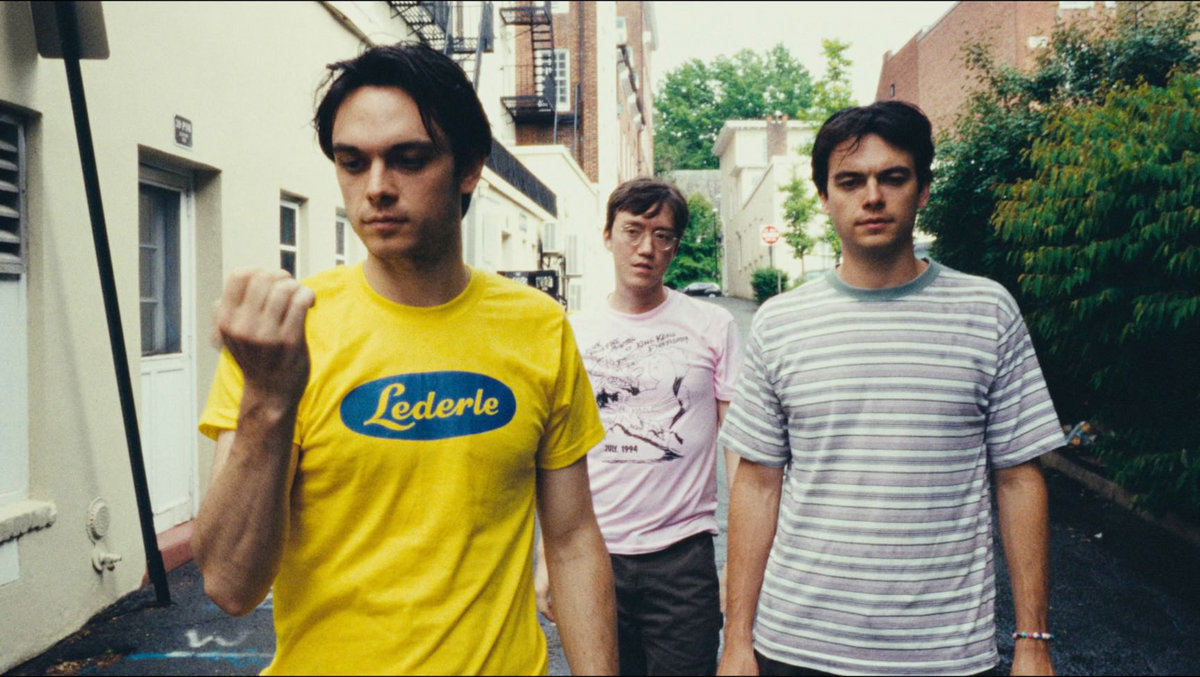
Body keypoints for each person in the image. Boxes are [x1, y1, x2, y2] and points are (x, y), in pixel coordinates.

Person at [191, 43, 617, 675]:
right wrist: (268, 400)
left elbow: (574, 537)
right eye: (352, 162)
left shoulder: (538, 326)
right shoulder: (285, 336)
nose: (377, 188)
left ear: (469, 168)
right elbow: (230, 585)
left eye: (409, 160)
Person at [717, 101, 1063, 676]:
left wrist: (1033, 642)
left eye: (893, 177)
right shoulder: (780, 323)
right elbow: (756, 484)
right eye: (850, 181)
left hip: (944, 653)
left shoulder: (987, 311)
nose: (872, 196)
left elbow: (1018, 477)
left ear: (922, 190)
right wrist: (736, 640)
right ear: (824, 197)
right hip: (796, 647)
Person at [536, 178, 743, 675]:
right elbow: (556, 457)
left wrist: (738, 566)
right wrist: (547, 555)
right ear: (608, 235)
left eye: (663, 235)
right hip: (592, 555)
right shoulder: (572, 331)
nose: (647, 248)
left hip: (682, 559)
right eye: (633, 231)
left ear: (675, 245)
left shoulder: (713, 325)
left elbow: (740, 454)